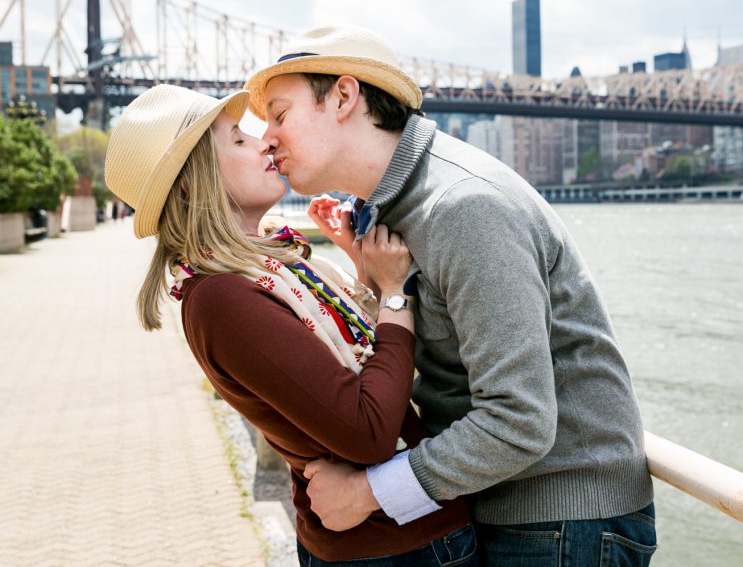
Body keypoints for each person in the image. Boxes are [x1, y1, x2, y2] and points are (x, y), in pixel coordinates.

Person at [244, 25, 657, 565]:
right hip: (499, 502)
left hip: (559, 519)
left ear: (344, 97)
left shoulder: (463, 207)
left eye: (279, 114)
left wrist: (366, 494)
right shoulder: (392, 207)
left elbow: (520, 418)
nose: (267, 138)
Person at [104, 84, 477, 566]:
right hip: (392, 547)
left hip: (393, 534)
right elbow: (369, 431)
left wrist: (361, 268)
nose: (263, 143)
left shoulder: (261, 268)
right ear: (194, 183)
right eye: (238, 139)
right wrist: (393, 294)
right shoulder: (223, 297)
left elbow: (348, 364)